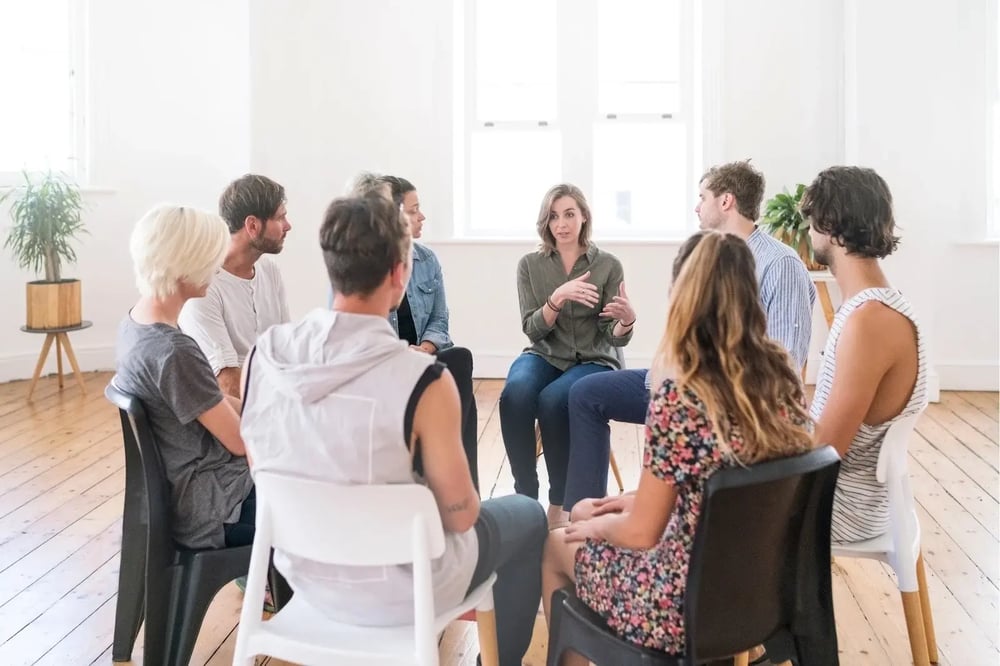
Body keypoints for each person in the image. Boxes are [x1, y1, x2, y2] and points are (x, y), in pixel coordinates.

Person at [240, 194, 546, 666]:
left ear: (331, 267)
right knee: (529, 514)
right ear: (400, 274)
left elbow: (261, 466)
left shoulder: (265, 355)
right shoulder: (423, 380)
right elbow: (462, 517)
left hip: (305, 579)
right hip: (405, 591)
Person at [541, 230, 813, 661]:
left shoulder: (682, 396)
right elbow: (712, 483)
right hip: (760, 591)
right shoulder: (782, 382)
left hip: (681, 606)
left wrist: (594, 527)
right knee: (586, 511)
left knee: (559, 542)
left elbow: (641, 533)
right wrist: (624, 502)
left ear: (681, 295)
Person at [562, 160, 815, 512]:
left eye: (703, 196)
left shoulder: (780, 264)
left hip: (717, 400)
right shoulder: (707, 255)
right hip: (679, 384)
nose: (697, 206)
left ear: (726, 201)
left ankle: (646, 509)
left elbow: (787, 360)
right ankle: (582, 512)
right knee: (585, 394)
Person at [114, 204, 254, 549]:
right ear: (184, 267)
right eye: (210, 260)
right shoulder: (173, 351)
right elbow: (240, 442)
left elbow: (215, 401)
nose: (217, 269)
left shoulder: (136, 324)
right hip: (214, 509)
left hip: (190, 495)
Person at [803, 166, 927, 543]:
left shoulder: (869, 322)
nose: (808, 233)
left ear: (830, 225)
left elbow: (826, 450)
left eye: (811, 222)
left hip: (839, 507)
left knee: (700, 499)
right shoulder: (874, 308)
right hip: (843, 496)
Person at [500, 184, 634, 527]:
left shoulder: (607, 265)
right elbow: (532, 329)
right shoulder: (530, 265)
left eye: (569, 214)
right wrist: (556, 299)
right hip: (545, 352)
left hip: (592, 357)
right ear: (545, 222)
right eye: (554, 216)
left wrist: (626, 321)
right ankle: (524, 495)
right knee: (514, 394)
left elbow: (612, 336)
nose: (561, 223)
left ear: (584, 216)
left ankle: (557, 503)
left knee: (553, 400)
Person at [382, 175, 480, 490]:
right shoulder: (370, 265)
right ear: (393, 216)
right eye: (413, 210)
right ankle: (457, 486)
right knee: (457, 369)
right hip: (387, 367)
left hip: (424, 358)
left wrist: (423, 350)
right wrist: (403, 355)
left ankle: (458, 482)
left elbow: (440, 319)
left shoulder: (427, 260)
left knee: (459, 360)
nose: (421, 216)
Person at [178, 174, 292, 397]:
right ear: (252, 225)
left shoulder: (270, 271)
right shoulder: (203, 287)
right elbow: (227, 384)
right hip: (238, 414)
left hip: (273, 399)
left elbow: (286, 348)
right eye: (280, 218)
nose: (288, 226)